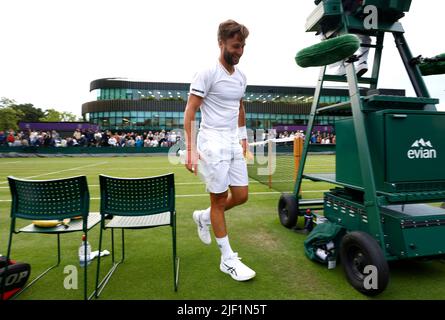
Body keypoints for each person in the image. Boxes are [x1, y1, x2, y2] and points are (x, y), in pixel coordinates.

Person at [183, 19, 255, 282]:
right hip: (211, 141)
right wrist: (190, 148)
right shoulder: (207, 73)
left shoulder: (242, 77)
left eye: (243, 46)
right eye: (236, 45)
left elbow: (240, 107)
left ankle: (203, 218)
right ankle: (227, 258)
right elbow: (190, 110)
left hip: (232, 141)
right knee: (218, 199)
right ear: (222, 43)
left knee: (242, 195)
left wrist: (244, 138)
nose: (239, 51)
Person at [321, 0, 371, 77]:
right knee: (365, 38)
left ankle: (344, 63)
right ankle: (362, 62)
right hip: (376, 15)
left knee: (325, 33)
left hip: (351, 12)